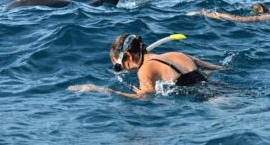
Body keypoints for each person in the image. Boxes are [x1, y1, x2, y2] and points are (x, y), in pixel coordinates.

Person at [68, 34, 223, 98]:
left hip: (210, 99)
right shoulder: (175, 54)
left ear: (127, 56)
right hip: (222, 88)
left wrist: (104, 90)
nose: (121, 69)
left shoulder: (144, 70)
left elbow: (144, 96)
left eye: (118, 66)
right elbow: (216, 68)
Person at [190, 3, 270, 25]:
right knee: (239, 19)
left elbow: (239, 19)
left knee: (240, 19)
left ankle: (211, 14)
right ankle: (213, 14)